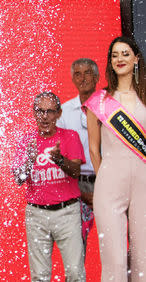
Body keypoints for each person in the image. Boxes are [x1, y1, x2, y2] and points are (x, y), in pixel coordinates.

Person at [84, 36, 146, 282]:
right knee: (114, 261)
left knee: (143, 261)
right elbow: (93, 148)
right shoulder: (98, 101)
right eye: (115, 55)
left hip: (143, 184)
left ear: (136, 58)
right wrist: (105, 179)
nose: (120, 59)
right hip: (109, 184)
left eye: (125, 53)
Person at [12, 92, 86, 281]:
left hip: (67, 213)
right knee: (39, 276)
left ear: (59, 114)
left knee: (75, 273)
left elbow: (76, 172)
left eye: (50, 111)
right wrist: (29, 161)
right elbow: (19, 179)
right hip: (37, 215)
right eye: (40, 111)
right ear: (34, 113)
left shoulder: (70, 136)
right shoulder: (25, 141)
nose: (45, 116)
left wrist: (59, 160)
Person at [56, 58, 99, 253]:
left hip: (108, 181)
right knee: (76, 247)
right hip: (76, 184)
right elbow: (59, 157)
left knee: (118, 241)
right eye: (77, 74)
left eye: (87, 73)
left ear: (97, 76)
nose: (83, 78)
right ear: (72, 79)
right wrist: (80, 192)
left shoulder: (109, 108)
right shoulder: (63, 112)